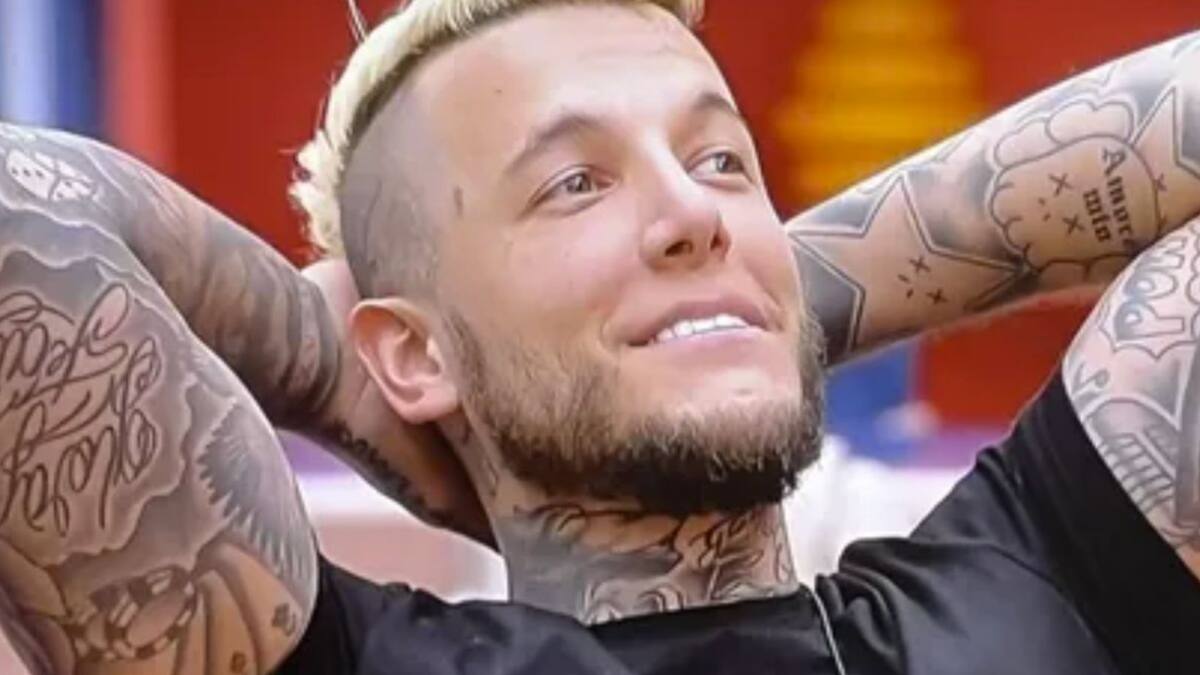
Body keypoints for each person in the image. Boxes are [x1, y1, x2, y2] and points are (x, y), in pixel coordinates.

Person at [0, 0, 1197, 672]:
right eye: (577, 184)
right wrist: (335, 377)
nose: (693, 214)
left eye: (720, 161)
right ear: (411, 354)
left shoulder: (1046, 587)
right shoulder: (334, 663)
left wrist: (766, 307)